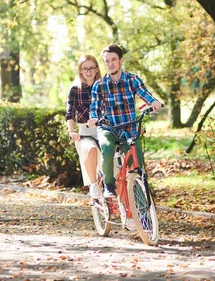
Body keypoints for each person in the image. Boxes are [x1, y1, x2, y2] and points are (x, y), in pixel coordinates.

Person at [88, 44, 162, 198]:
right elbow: (95, 106)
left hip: (129, 128)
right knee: (107, 149)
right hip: (108, 128)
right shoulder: (99, 85)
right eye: (107, 61)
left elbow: (144, 93)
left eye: (113, 60)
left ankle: (140, 209)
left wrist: (153, 102)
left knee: (137, 167)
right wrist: (94, 117)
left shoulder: (132, 79)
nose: (110, 64)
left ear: (121, 60)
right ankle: (109, 185)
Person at [65, 54, 103, 199]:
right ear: (80, 71)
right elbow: (70, 112)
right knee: (90, 148)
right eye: (84, 69)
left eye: (91, 68)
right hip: (85, 132)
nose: (88, 71)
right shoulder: (75, 89)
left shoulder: (103, 86)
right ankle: (93, 184)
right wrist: (72, 131)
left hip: (103, 129)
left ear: (96, 69)